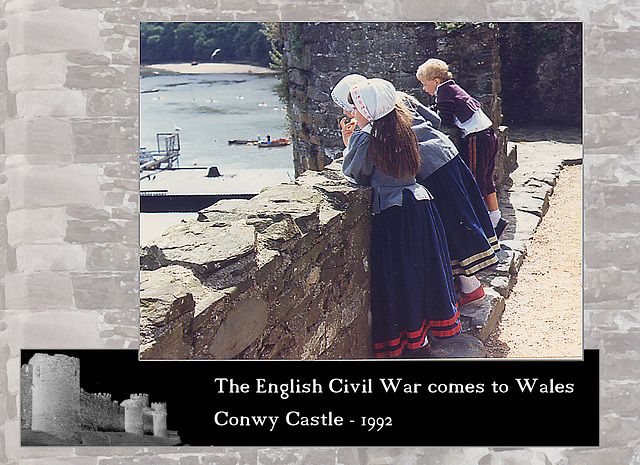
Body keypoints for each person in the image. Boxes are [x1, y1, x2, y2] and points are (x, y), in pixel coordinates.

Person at [332, 75, 498, 307]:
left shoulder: (375, 123)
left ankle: (470, 288)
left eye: (349, 107)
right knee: (460, 222)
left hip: (429, 169)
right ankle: (470, 284)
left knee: (451, 230)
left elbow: (361, 164)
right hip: (447, 153)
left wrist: (351, 141)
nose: (349, 112)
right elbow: (435, 119)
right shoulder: (400, 98)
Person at [339, 78, 461, 358]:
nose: (353, 114)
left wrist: (349, 143)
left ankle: (408, 344)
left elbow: (355, 173)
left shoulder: (366, 137)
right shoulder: (402, 128)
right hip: (421, 207)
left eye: (356, 108)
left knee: (400, 278)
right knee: (422, 274)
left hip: (395, 214)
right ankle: (423, 338)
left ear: (367, 111)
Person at [416, 58, 509, 239]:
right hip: (488, 135)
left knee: (474, 182)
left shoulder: (443, 91)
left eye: (424, 84)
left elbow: (443, 120)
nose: (423, 89)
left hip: (476, 139)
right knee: (486, 179)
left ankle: (481, 225)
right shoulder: (453, 88)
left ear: (436, 81)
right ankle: (495, 219)